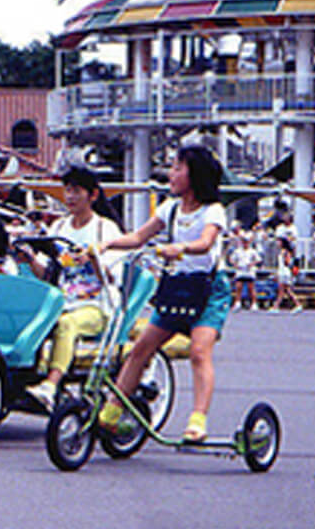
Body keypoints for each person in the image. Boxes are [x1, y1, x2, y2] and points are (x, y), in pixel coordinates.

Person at [98, 145, 230, 443]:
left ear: (194, 174)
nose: (171, 174)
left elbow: (206, 242)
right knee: (141, 348)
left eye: (177, 168)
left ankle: (197, 421)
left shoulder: (213, 210)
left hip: (209, 289)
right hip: (177, 287)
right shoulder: (169, 208)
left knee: (199, 351)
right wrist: (107, 245)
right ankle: (113, 409)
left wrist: (181, 248)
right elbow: (138, 237)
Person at [19, 165, 124, 411]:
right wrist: (31, 260)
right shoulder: (58, 229)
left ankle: (50, 386)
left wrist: (93, 257)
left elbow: (112, 277)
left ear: (93, 195)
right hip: (62, 303)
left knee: (67, 324)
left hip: (97, 306)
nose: (70, 197)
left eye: (76, 191)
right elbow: (49, 273)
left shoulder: (105, 230)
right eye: (67, 190)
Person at [229, 231, 262, 311]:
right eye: (244, 242)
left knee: (251, 288)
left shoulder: (252, 251)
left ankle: (254, 303)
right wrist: (235, 265)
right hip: (240, 270)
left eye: (246, 242)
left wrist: (252, 264)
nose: (245, 244)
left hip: (249, 271)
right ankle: (237, 302)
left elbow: (258, 260)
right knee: (238, 287)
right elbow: (231, 259)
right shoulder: (238, 251)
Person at [270, 237, 303, 314]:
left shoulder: (285, 252)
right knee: (285, 290)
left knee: (284, 290)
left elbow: (287, 262)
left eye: (279, 242)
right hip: (282, 271)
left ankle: (277, 306)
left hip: (284, 272)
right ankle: (277, 306)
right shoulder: (282, 251)